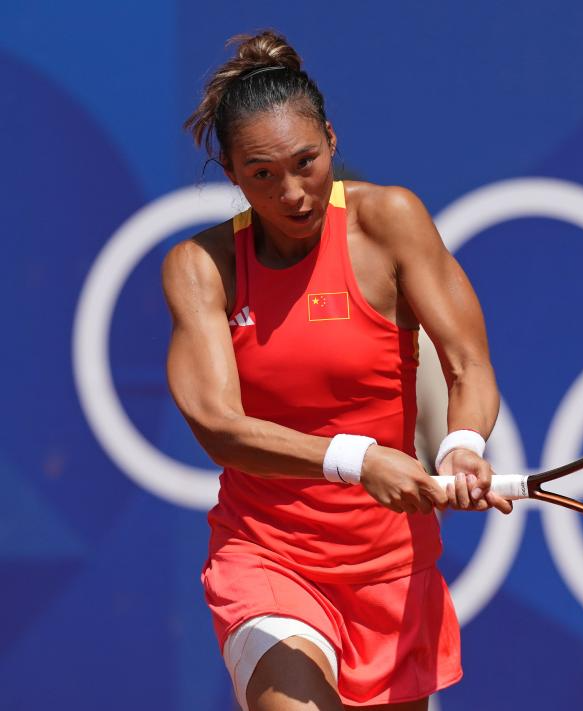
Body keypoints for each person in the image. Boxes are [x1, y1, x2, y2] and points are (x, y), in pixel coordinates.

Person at [164, 29, 511, 711]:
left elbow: (469, 364)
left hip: (392, 570)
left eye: (307, 162)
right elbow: (218, 427)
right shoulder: (202, 267)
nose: (293, 193)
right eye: (263, 175)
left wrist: (463, 443)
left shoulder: (391, 220)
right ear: (231, 174)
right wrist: (357, 459)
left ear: (330, 138)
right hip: (268, 557)